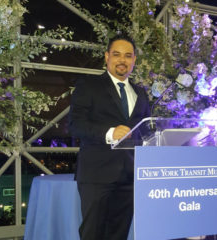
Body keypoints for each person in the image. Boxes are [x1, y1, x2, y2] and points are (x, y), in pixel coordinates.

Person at [69, 34, 150, 240]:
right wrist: (109, 133)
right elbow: (75, 125)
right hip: (97, 175)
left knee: (119, 234)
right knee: (92, 234)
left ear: (134, 60)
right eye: (116, 54)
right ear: (107, 57)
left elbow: (147, 130)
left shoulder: (141, 93)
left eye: (128, 55)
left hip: (131, 177)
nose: (122, 60)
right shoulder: (89, 85)